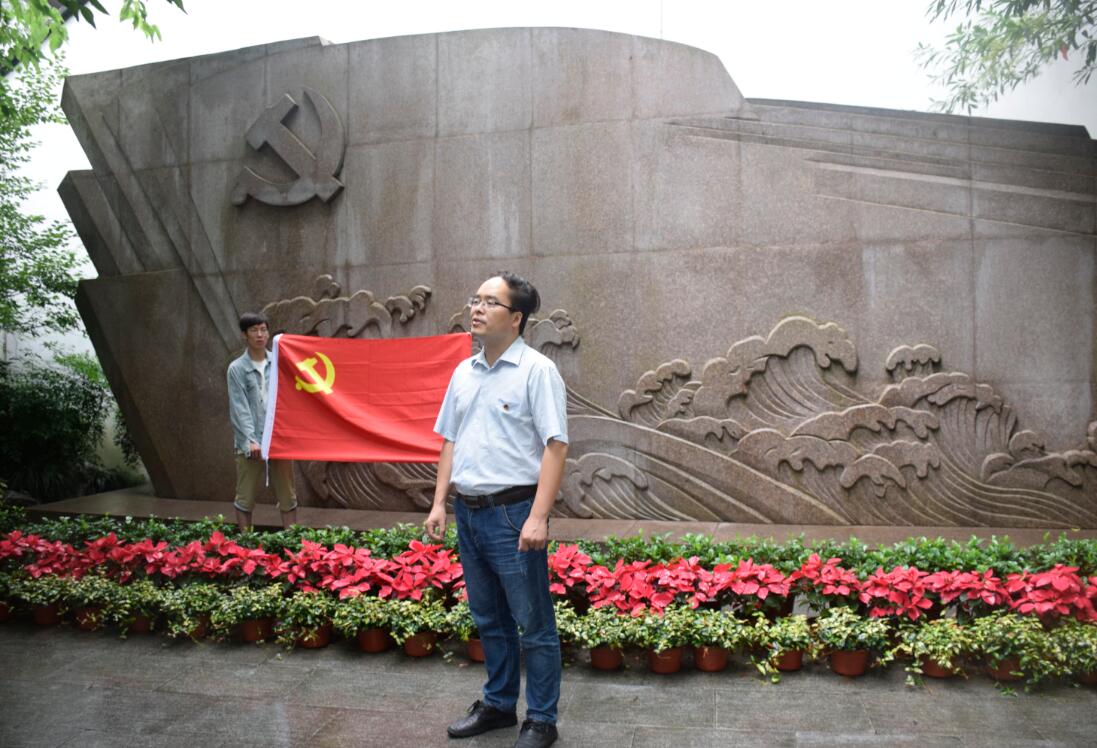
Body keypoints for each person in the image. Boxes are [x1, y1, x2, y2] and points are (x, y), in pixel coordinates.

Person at [426, 272, 568, 748]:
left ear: (516, 318)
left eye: (490, 302)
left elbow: (556, 446)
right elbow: (450, 440)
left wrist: (538, 517)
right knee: (489, 619)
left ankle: (541, 720)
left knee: (534, 624)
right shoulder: (463, 373)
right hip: (468, 513)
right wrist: (439, 503)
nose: (477, 308)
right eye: (476, 299)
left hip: (513, 514)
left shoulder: (537, 371)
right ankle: (500, 705)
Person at [226, 312, 298, 531]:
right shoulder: (237, 369)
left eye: (263, 329)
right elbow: (240, 409)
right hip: (251, 442)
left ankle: (292, 542)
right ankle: (245, 544)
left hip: (279, 440)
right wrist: (251, 440)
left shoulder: (279, 362)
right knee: (245, 497)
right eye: (254, 330)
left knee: (288, 495)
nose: (260, 335)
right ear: (244, 335)